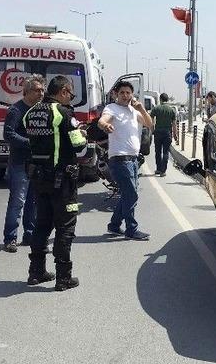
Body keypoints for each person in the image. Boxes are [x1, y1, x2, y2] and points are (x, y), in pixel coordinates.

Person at [23, 75, 87, 291]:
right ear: (63, 92)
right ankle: (63, 278)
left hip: (39, 179)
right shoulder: (64, 113)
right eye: (71, 94)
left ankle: (36, 272)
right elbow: (79, 146)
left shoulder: (31, 113)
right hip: (63, 180)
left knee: (42, 225)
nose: (71, 98)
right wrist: (83, 135)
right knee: (65, 228)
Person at [98, 81, 154, 240]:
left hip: (134, 160)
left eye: (128, 93)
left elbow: (150, 125)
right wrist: (105, 125)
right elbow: (103, 120)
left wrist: (141, 108)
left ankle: (114, 225)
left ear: (132, 95)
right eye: (122, 92)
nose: (125, 96)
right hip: (120, 159)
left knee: (127, 195)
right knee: (132, 194)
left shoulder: (134, 111)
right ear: (116, 94)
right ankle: (131, 228)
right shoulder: (112, 109)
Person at [1, 75, 44, 253]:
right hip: (20, 163)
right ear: (26, 92)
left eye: (43, 90)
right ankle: (10, 238)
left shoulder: (41, 109)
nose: (41, 93)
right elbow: (8, 134)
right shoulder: (16, 110)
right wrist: (29, 143)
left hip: (37, 163)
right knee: (18, 201)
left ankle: (30, 234)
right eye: (37, 90)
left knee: (33, 201)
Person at [149, 93, 178, 176]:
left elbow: (151, 119)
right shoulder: (172, 110)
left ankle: (158, 169)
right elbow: (174, 124)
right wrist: (175, 134)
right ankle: (163, 171)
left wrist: (152, 130)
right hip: (167, 133)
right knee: (165, 152)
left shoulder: (156, 108)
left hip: (158, 132)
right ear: (167, 100)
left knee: (157, 151)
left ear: (160, 99)